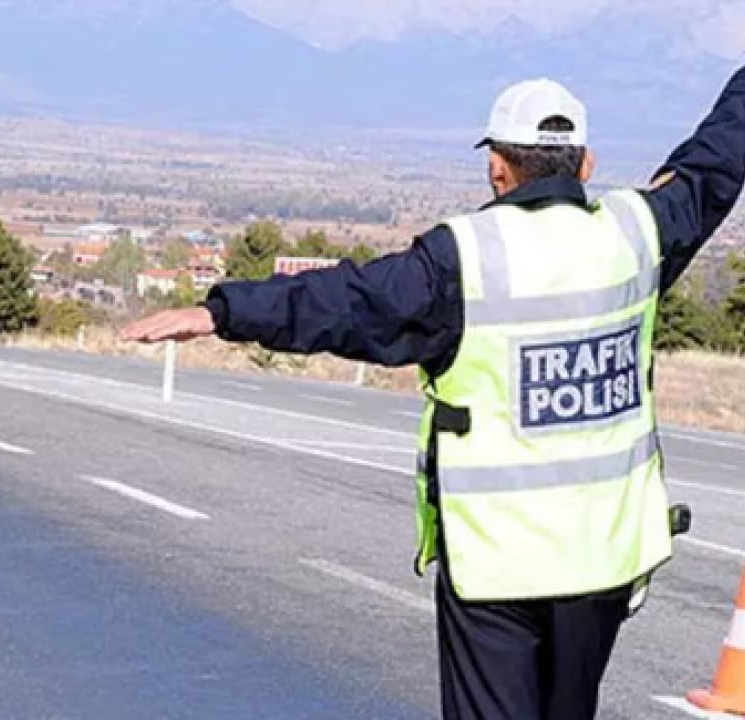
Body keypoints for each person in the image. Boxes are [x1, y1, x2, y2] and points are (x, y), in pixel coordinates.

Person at [121, 69, 745, 720]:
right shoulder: (639, 233)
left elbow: (346, 300)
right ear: (585, 164)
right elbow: (715, 160)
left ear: (498, 169)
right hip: (603, 562)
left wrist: (224, 311)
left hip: (498, 564)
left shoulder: (462, 259)